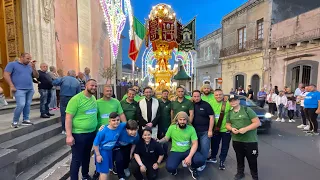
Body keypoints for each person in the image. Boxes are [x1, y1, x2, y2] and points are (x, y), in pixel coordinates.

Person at [65, 79, 98, 180]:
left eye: (95, 86)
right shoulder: (76, 99)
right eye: (92, 85)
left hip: (91, 133)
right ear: (86, 86)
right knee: (77, 159)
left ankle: (85, 175)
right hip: (79, 134)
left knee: (86, 156)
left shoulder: (93, 98)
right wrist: (69, 135)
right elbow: (68, 118)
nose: (94, 88)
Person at [158, 111, 205, 179]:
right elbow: (166, 138)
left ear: (187, 120)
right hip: (176, 151)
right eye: (180, 119)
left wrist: (189, 157)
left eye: (184, 119)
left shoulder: (191, 128)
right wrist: (158, 141)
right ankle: (175, 168)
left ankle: (193, 167)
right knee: (170, 168)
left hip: (188, 150)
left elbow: (195, 143)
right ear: (177, 120)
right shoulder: (172, 128)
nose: (182, 121)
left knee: (200, 160)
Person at [226, 95, 260, 180]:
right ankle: (240, 173)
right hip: (237, 140)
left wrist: (246, 129)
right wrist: (231, 129)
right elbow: (227, 125)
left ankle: (255, 176)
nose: (233, 102)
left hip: (250, 140)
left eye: (234, 100)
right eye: (231, 101)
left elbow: (257, 123)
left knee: (252, 159)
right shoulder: (229, 112)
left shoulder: (247, 110)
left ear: (238, 101)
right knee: (239, 157)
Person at [4, 53, 39, 128]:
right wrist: (11, 85)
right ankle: (14, 121)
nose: (29, 60)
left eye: (30, 58)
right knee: (21, 105)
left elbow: (36, 76)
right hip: (19, 89)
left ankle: (25, 120)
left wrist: (33, 68)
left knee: (27, 105)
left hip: (29, 89)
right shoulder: (12, 64)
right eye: (27, 58)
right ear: (21, 57)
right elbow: (6, 75)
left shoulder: (29, 66)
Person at [93, 112, 126, 180]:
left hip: (109, 152)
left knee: (107, 170)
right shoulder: (103, 131)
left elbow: (130, 124)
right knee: (103, 172)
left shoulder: (120, 126)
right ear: (109, 121)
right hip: (102, 152)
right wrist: (98, 155)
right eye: (113, 120)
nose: (116, 122)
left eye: (118, 120)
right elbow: (95, 144)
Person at [207, 89, 232, 171]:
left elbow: (235, 110)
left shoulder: (228, 103)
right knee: (214, 145)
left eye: (220, 94)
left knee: (225, 146)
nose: (218, 96)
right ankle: (213, 157)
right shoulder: (210, 102)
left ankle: (222, 161)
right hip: (215, 129)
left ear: (223, 95)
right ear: (214, 95)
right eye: (216, 95)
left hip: (226, 129)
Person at [192, 90, 214, 172]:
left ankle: (202, 163)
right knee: (196, 148)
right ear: (192, 96)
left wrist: (210, 130)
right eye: (195, 96)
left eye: (198, 96)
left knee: (205, 148)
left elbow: (211, 117)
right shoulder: (191, 104)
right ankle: (196, 161)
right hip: (194, 132)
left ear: (200, 96)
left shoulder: (206, 105)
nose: (196, 98)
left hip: (205, 131)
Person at [157, 89, 171, 159]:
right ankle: (159, 154)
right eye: (164, 93)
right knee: (158, 140)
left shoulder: (170, 103)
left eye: (167, 93)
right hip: (158, 124)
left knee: (166, 140)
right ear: (162, 94)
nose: (165, 95)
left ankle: (165, 154)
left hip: (167, 124)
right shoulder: (157, 102)